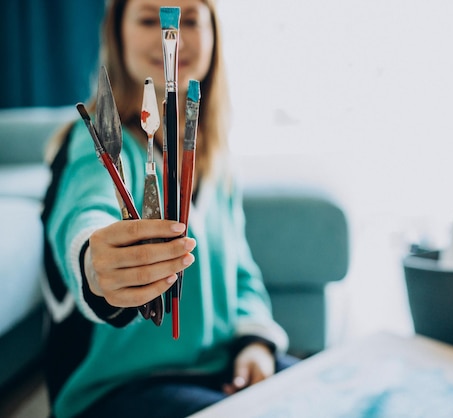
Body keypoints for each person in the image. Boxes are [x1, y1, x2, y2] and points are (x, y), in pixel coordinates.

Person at [42, 0, 295, 417]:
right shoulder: (96, 146)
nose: (168, 36)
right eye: (147, 18)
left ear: (215, 34)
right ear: (116, 35)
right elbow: (84, 212)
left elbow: (242, 273)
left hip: (219, 370)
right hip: (118, 389)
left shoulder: (217, 164)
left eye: (190, 18)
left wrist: (256, 345)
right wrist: (96, 264)